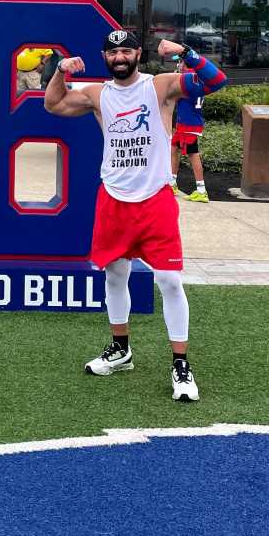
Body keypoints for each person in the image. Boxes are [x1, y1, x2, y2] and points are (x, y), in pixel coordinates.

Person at [44, 28, 227, 402]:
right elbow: (54, 105)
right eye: (113, 53)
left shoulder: (159, 86)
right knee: (115, 274)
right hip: (113, 196)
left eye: (126, 51)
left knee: (170, 282)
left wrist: (187, 52)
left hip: (155, 198)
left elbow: (215, 81)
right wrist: (61, 71)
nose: (120, 57)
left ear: (138, 54)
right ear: (105, 57)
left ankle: (180, 364)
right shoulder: (98, 94)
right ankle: (121, 348)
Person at [170, 88, 208, 203]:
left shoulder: (187, 82)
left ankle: (201, 191)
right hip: (186, 124)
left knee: (193, 154)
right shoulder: (197, 81)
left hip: (189, 126)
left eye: (180, 67)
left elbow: (173, 96)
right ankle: (172, 184)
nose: (179, 68)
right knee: (173, 150)